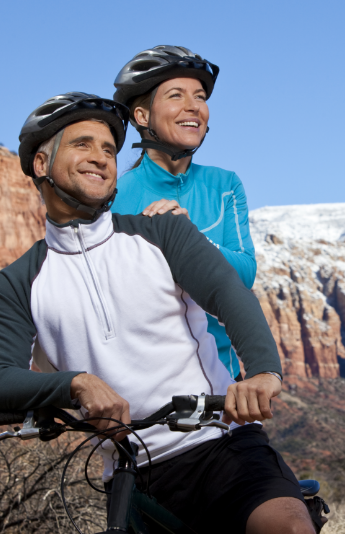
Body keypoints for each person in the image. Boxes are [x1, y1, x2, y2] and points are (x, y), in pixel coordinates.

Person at [0, 92, 316, 534]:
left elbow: (228, 294)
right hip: (130, 470)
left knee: (287, 530)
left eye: (110, 150)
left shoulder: (162, 234)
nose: (101, 158)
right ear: (41, 164)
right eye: (83, 145)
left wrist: (264, 372)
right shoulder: (17, 282)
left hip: (220, 445)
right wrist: (75, 383)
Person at [112, 45, 256, 381]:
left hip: (224, 386)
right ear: (142, 116)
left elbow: (245, 273)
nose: (194, 106)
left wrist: (190, 237)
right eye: (176, 95)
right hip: (145, 388)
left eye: (200, 96)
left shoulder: (225, 185)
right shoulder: (116, 197)